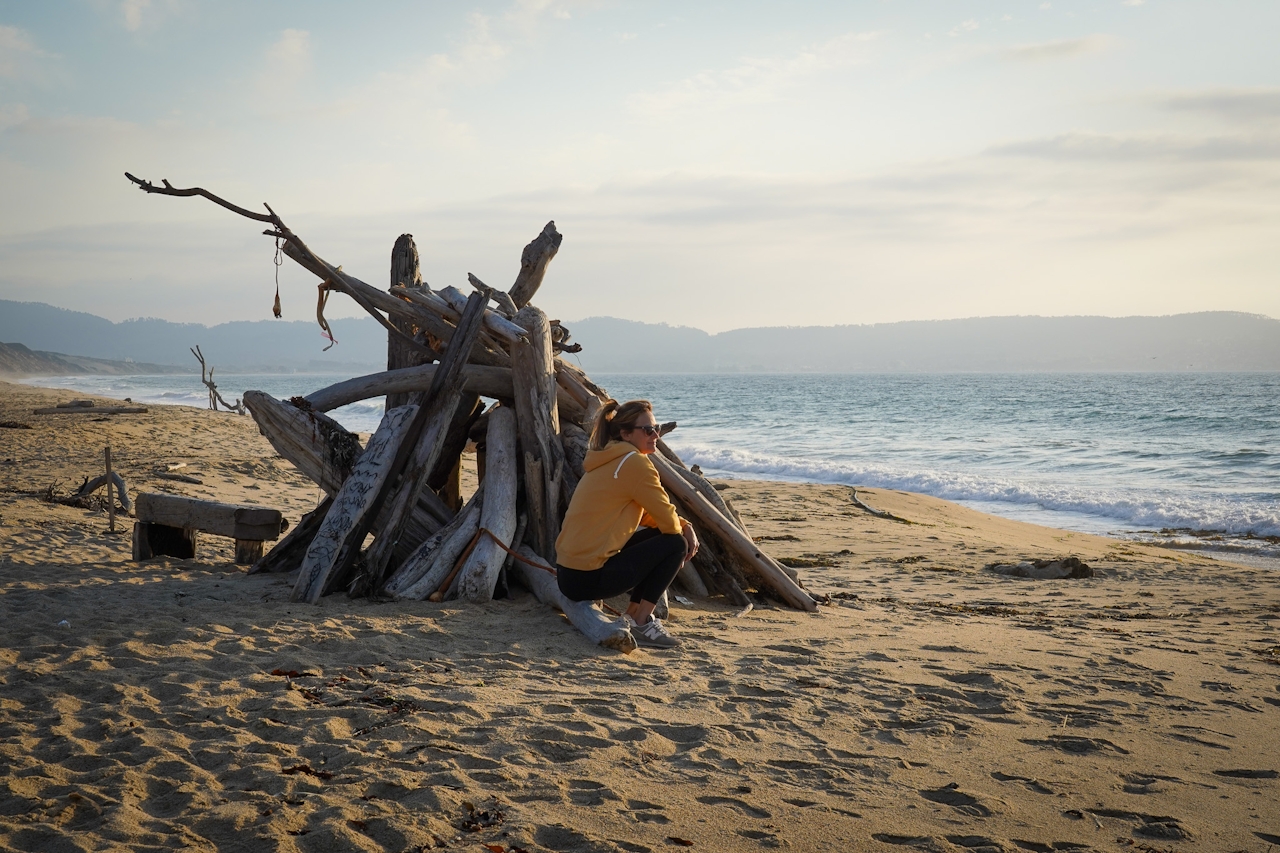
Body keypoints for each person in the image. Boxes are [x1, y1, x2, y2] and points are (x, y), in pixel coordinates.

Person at [554, 399, 698, 648]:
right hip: (586, 579)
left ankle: (634, 616)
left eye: (657, 428)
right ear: (626, 433)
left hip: (568, 575)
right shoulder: (634, 463)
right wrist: (685, 530)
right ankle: (642, 620)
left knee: (666, 539)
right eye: (648, 430)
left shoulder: (608, 459)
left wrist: (684, 524)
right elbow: (668, 525)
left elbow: (645, 516)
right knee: (675, 544)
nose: (656, 435)